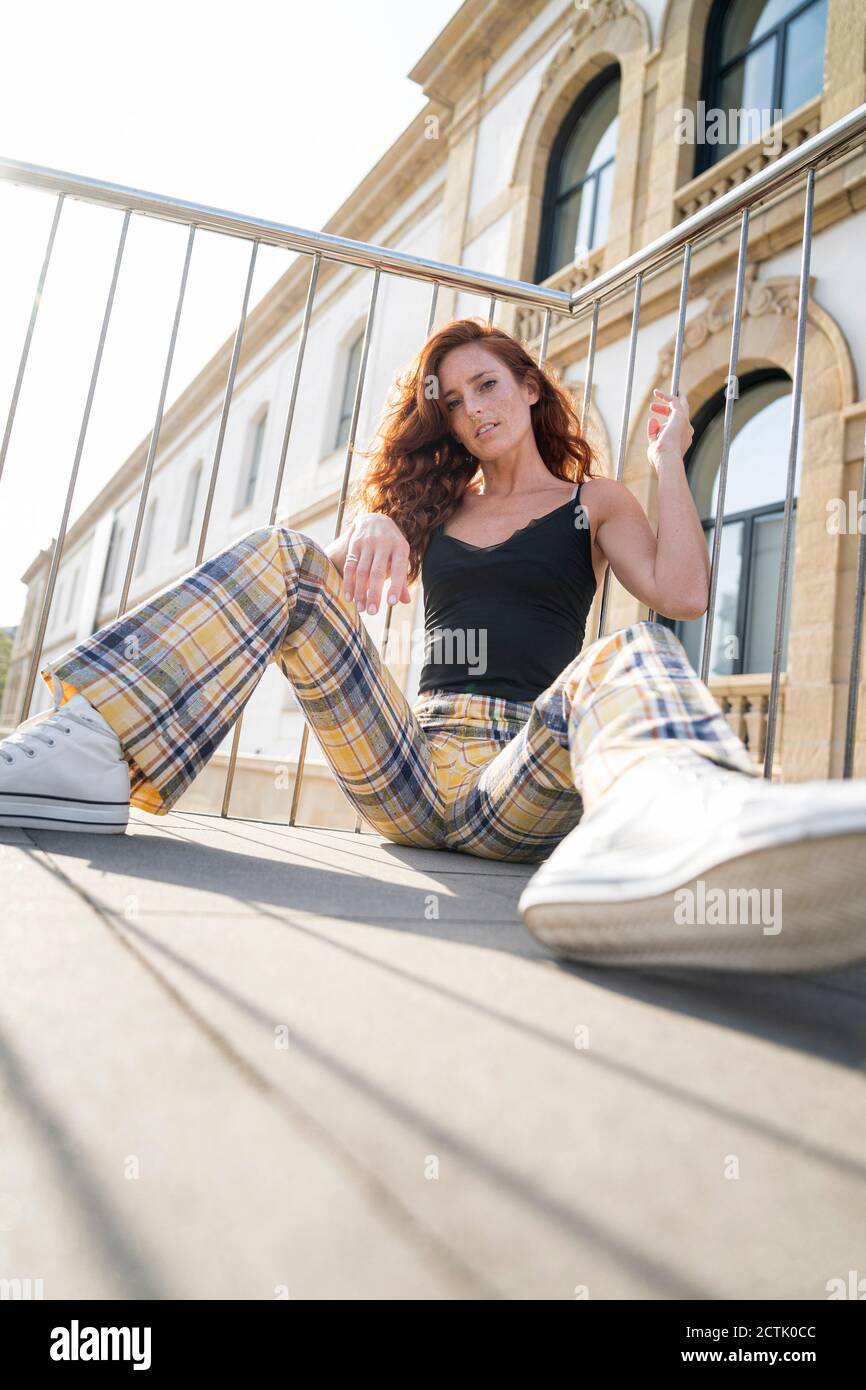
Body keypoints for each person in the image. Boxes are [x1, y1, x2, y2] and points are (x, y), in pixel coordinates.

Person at [2, 318, 865, 973]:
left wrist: (672, 458)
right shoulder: (439, 509)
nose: (473, 411)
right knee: (282, 549)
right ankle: (90, 745)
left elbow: (683, 593)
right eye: (452, 403)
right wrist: (371, 518)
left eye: (486, 386)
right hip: (409, 768)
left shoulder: (591, 502)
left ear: (529, 388)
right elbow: (309, 594)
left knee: (631, 651)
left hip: (522, 772)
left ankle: (684, 829)